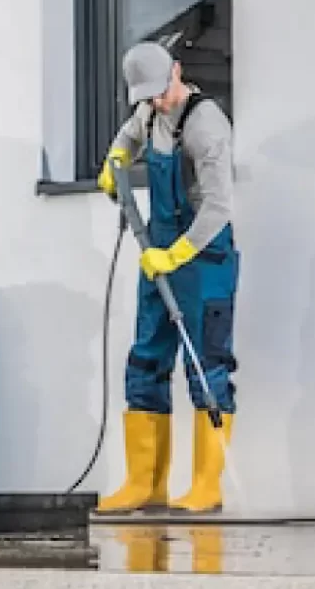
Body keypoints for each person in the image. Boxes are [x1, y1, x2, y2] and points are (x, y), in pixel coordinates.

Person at [95, 41, 239, 515]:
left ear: (177, 72)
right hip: (157, 253)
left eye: (160, 92)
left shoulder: (207, 125)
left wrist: (178, 253)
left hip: (203, 261)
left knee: (206, 366)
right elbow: (129, 137)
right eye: (147, 97)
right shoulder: (149, 112)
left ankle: (205, 487)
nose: (155, 103)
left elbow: (219, 205)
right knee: (146, 359)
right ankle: (144, 485)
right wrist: (115, 161)